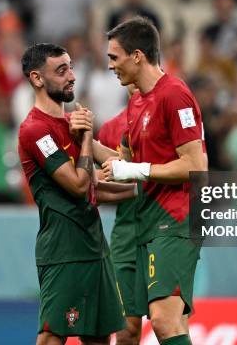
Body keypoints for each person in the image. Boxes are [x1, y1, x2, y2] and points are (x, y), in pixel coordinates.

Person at [18, 43, 135, 345]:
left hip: (95, 248)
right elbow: (78, 184)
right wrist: (85, 138)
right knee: (51, 337)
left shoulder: (71, 123)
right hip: (62, 250)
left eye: (71, 68)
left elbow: (120, 171)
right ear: (37, 79)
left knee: (99, 339)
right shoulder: (35, 130)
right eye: (61, 70)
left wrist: (140, 168)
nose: (71, 76)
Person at [101, 17, 208, 345]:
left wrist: (135, 170)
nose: (110, 66)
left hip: (175, 219)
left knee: (164, 321)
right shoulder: (136, 103)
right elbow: (126, 163)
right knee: (127, 329)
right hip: (144, 224)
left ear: (137, 56)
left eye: (114, 57)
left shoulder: (174, 95)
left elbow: (196, 165)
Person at [96, 84, 143, 345]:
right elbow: (99, 187)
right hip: (126, 235)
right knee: (127, 330)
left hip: (166, 228)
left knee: (167, 322)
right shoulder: (110, 129)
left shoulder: (171, 114)